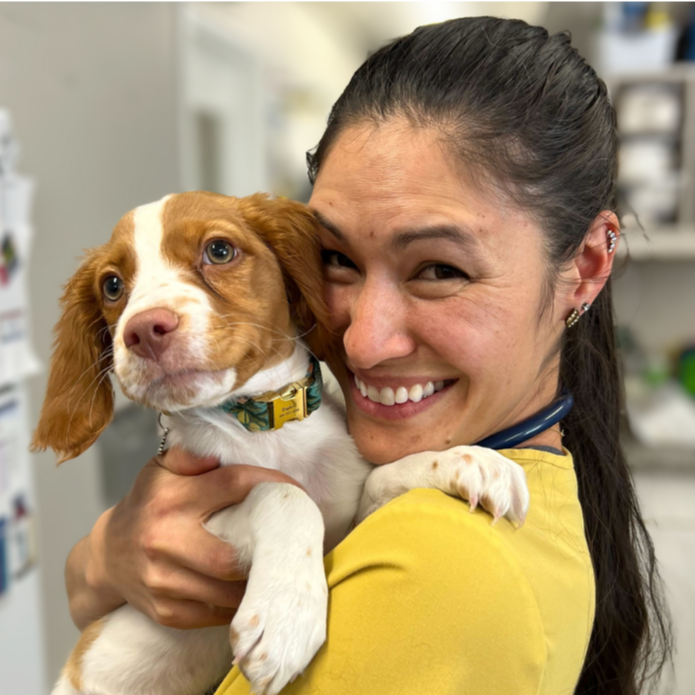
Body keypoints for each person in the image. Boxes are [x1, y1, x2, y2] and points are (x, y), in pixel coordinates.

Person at [64, 17, 671, 695]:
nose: (360, 343)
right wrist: (98, 564)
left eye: (439, 269)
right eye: (336, 259)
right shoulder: (483, 490)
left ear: (585, 266)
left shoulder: (439, 570)